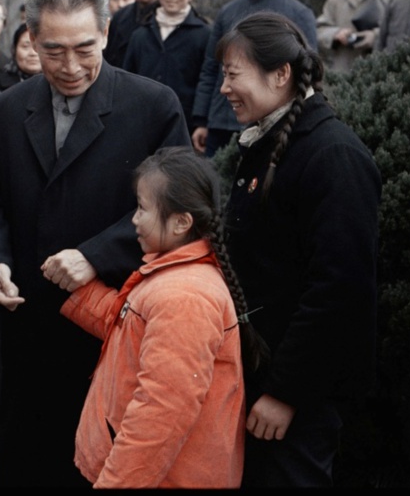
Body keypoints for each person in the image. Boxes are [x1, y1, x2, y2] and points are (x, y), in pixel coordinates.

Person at [0, 0, 191, 487]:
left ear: (107, 34)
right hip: (27, 326)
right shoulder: (10, 110)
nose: (69, 67)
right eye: (53, 50)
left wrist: (98, 255)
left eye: (84, 48)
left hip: (112, 323)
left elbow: (180, 211)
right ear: (31, 38)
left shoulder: (153, 106)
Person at [216, 12, 381, 487]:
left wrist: (287, 393)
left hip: (296, 397)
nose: (224, 87)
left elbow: (339, 292)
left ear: (280, 74)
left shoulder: (334, 156)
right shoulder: (270, 143)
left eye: (232, 74)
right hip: (259, 380)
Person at [60, 145, 265, 487]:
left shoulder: (185, 297)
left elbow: (161, 412)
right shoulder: (175, 276)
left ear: (181, 222)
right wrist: (79, 293)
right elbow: (131, 327)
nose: (134, 220)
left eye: (142, 208)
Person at [190, 0, 317, 158]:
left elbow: (307, 72)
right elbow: (210, 68)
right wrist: (202, 120)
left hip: (274, 123)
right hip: (222, 123)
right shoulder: (227, 12)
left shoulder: (299, 13)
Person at [123, 0, 210, 133]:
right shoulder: (140, 34)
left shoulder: (204, 34)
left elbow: (206, 81)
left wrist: (201, 121)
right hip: (142, 119)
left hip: (185, 122)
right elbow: (127, 78)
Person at [0, 22, 42, 91]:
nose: (33, 53)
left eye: (39, 47)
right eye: (25, 46)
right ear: (14, 50)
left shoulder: (58, 85)